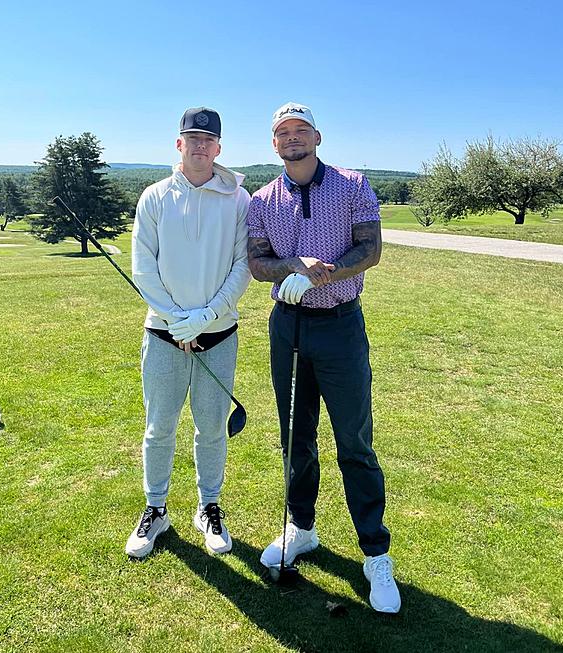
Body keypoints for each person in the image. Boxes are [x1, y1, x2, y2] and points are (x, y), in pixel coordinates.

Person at [246, 102, 400, 613]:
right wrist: (293, 265)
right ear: (274, 144)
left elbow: (370, 250)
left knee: (354, 440)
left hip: (339, 325)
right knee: (296, 434)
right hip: (287, 328)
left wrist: (320, 273)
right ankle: (301, 527)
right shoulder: (263, 199)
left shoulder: (352, 185)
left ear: (318, 136)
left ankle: (375, 553)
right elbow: (256, 261)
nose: (292, 139)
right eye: (283, 133)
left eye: (301, 130)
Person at [124, 107, 251, 558]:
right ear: (179, 144)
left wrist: (206, 316)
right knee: (159, 427)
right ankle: (156, 509)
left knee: (211, 428)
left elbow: (242, 266)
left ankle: (209, 506)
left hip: (219, 333)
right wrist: (179, 320)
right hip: (163, 334)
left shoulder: (239, 198)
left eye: (208, 140)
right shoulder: (155, 196)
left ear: (219, 147)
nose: (200, 146)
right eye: (192, 138)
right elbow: (143, 267)